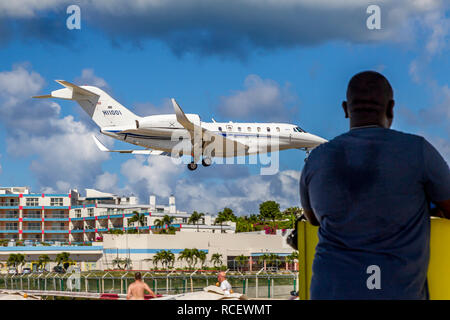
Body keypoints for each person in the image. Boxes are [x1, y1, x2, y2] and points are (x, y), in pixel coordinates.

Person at [300, 70, 450, 299]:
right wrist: (427, 206)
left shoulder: (317, 158)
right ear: (391, 108)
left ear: (345, 109)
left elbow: (313, 219)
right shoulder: (418, 150)